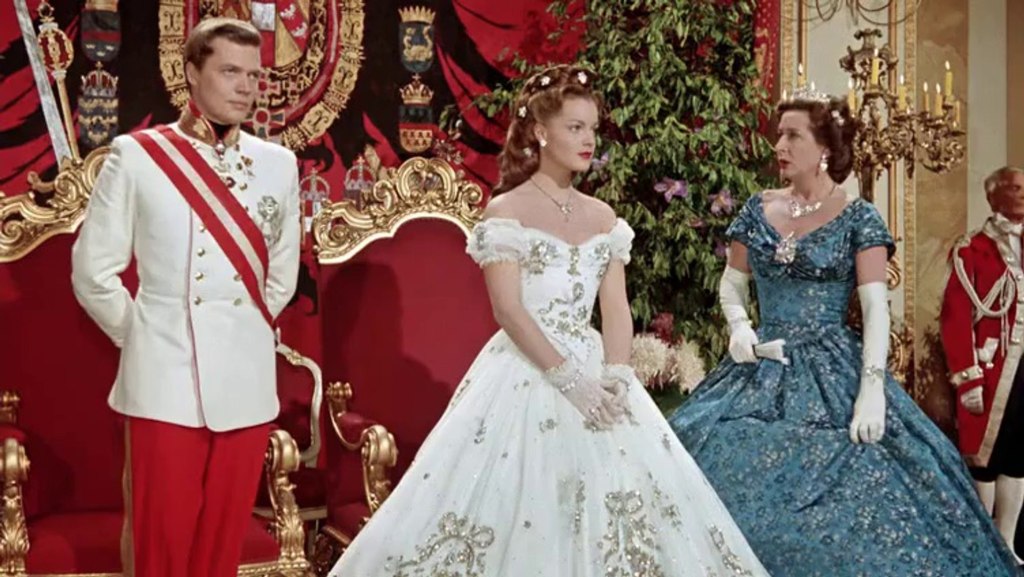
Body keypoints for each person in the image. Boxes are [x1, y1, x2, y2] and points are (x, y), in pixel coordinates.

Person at [328, 64, 769, 576]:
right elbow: (508, 310)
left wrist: (619, 373)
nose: (589, 140)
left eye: (593, 129)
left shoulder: (604, 217)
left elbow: (617, 309)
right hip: (525, 368)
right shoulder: (505, 212)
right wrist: (568, 380)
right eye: (575, 128)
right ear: (541, 132)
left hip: (594, 362)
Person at [669, 86, 1021, 577]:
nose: (779, 147)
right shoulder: (756, 209)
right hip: (759, 365)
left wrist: (871, 389)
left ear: (826, 150)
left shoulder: (859, 218)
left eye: (793, 136)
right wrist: (738, 327)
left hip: (833, 366)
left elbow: (876, 309)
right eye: (778, 135)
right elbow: (732, 285)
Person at [71, 17, 300, 577]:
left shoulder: (280, 165)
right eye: (230, 71)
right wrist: (148, 335)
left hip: (245, 381)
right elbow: (93, 272)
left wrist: (241, 333)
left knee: (221, 548)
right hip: (164, 378)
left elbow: (282, 277)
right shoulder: (138, 155)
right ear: (191, 73)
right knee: (163, 547)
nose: (246, 86)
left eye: (254, 74)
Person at [941, 165, 1024, 564]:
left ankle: (1007, 542)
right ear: (993, 197)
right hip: (989, 370)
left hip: (1023, 369)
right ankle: (982, 544)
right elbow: (956, 319)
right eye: (1012, 187)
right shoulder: (970, 249)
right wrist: (967, 377)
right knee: (984, 459)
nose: (1020, 193)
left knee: (1018, 457)